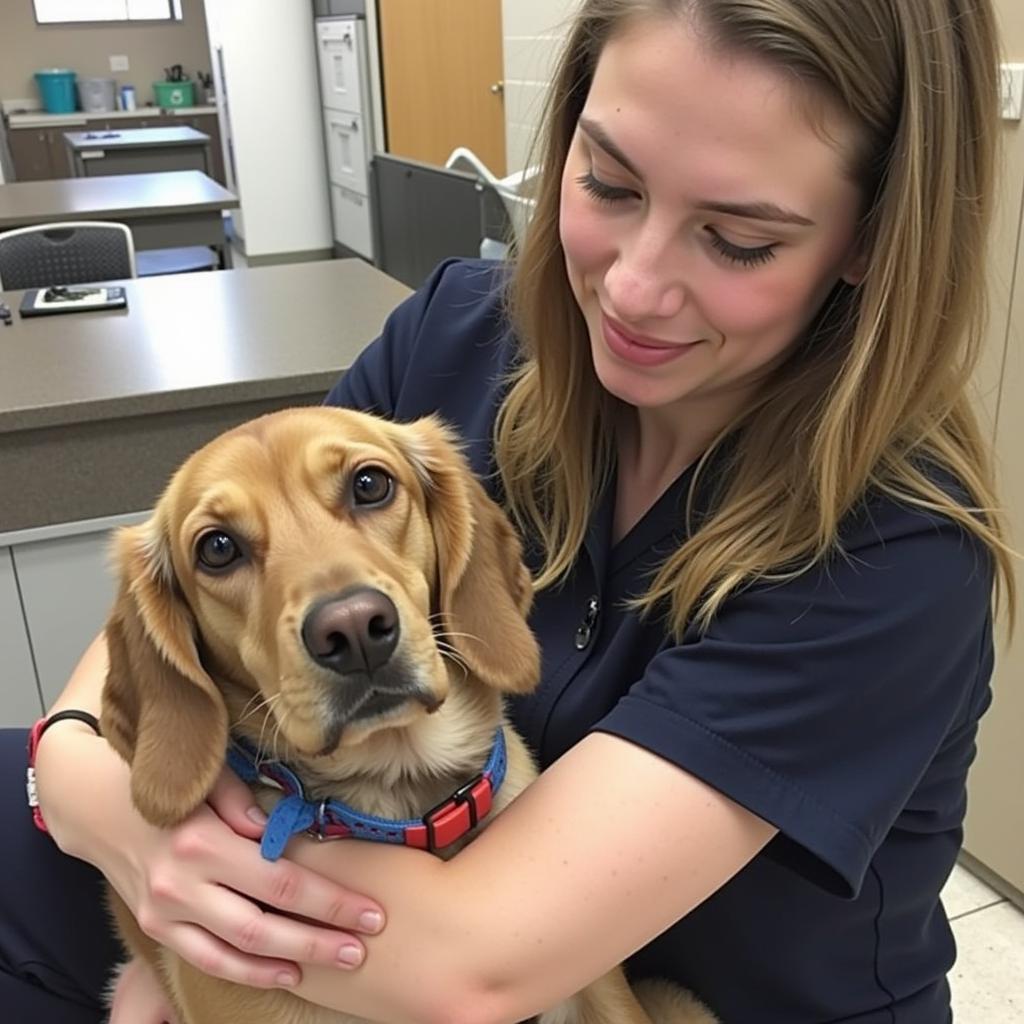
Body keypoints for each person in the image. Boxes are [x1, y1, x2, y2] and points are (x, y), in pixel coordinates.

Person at [1, 0, 1016, 1021]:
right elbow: (115, 675)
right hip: (372, 881)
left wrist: (176, 902)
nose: (631, 287)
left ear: (867, 240)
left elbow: (467, 970)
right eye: (608, 182)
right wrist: (98, 802)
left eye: (738, 238)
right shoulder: (458, 334)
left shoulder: (898, 549)